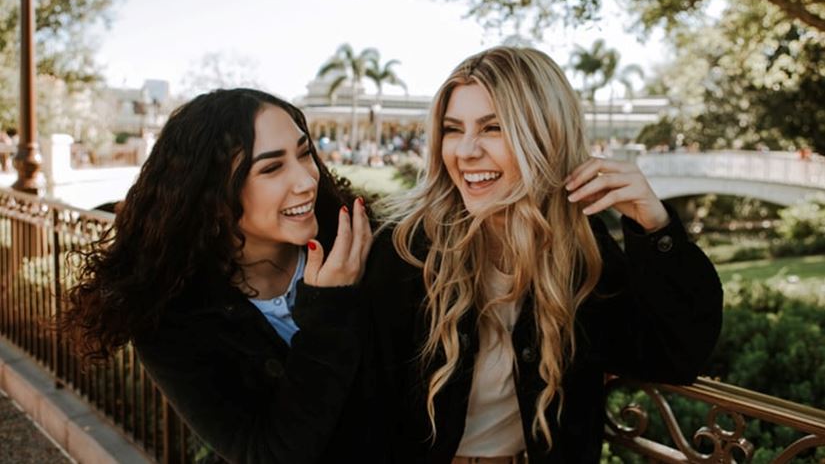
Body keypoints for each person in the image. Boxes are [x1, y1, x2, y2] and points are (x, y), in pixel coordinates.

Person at [365, 47, 723, 463]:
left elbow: (674, 357)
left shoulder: (580, 248)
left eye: (493, 128)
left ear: (545, 134)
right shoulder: (406, 249)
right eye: (452, 129)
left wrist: (656, 229)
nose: (465, 151)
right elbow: (364, 408)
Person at [62, 88, 372, 464]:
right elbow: (266, 454)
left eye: (304, 153)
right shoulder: (171, 319)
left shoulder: (360, 242)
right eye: (272, 168)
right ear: (212, 191)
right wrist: (329, 311)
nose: (308, 180)